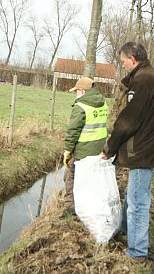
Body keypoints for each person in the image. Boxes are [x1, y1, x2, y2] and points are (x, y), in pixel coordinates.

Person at [102, 42, 154, 263]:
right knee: (133, 198)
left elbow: (128, 120)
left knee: (138, 202)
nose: (123, 67)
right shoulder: (149, 77)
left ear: (132, 58)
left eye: (123, 62)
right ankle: (124, 232)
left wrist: (109, 148)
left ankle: (137, 251)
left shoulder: (143, 81)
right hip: (147, 147)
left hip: (143, 150)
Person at [63, 77, 108, 216]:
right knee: (91, 179)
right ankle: (90, 204)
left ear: (82, 90)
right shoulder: (103, 103)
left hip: (82, 150)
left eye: (76, 91)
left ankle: (71, 207)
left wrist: (68, 151)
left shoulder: (81, 106)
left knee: (70, 176)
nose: (76, 94)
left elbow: (73, 131)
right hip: (99, 149)